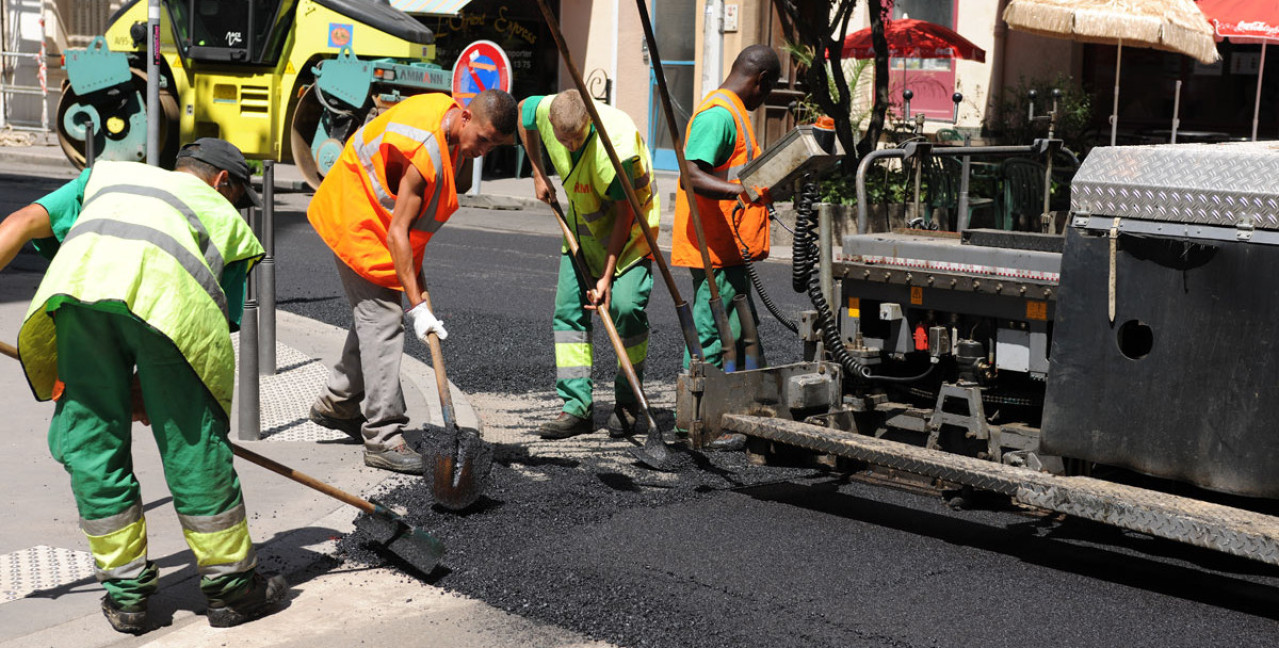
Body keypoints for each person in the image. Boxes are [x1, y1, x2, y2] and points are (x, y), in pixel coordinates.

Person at [15, 139, 287, 634]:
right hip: (173, 313)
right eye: (237, 194)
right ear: (223, 182)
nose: (236, 204)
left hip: (80, 296)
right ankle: (231, 590)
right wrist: (156, 394)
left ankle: (127, 597)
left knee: (93, 445)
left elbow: (19, 225)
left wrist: (130, 385)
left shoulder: (106, 177)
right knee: (193, 447)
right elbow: (208, 326)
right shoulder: (225, 219)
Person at [306, 89, 517, 472]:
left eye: (494, 147)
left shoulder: (453, 127)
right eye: (484, 140)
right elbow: (398, 232)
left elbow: (457, 185)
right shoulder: (427, 150)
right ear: (465, 117)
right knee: (384, 320)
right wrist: (418, 307)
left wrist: (472, 152)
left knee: (372, 320)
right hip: (357, 218)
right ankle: (383, 438)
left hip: (378, 220)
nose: (485, 150)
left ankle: (338, 404)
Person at [517, 89, 661, 439]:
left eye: (576, 139)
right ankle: (575, 406)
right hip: (582, 231)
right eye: (562, 140)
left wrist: (607, 277)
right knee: (569, 313)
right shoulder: (549, 111)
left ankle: (628, 402)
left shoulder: (616, 148)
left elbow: (625, 214)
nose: (568, 147)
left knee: (626, 310)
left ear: (590, 124)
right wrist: (537, 171)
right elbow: (523, 109)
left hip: (629, 238)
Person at [672, 45, 780, 450]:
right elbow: (690, 176)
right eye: (767, 92)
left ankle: (728, 415)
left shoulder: (733, 112)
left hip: (729, 250)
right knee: (712, 336)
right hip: (712, 251)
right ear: (761, 81)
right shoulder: (719, 115)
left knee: (736, 332)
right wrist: (742, 191)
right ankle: (696, 423)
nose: (763, 100)